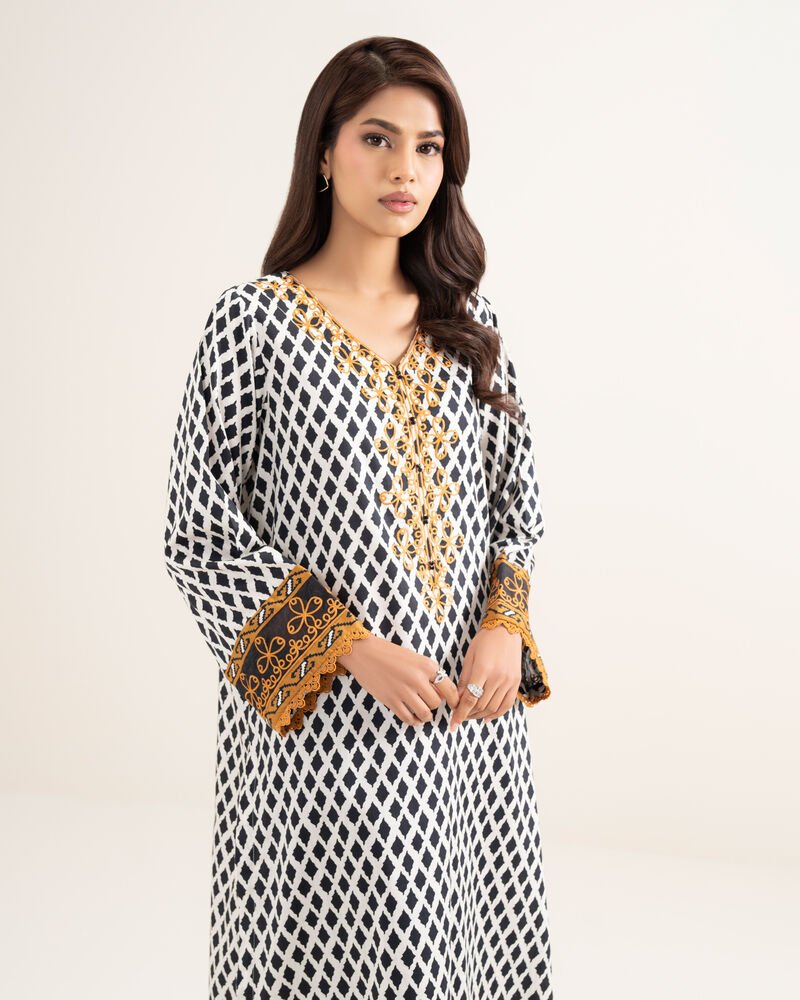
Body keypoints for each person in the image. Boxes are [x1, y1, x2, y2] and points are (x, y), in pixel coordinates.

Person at [162, 35, 555, 1000]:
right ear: (325, 153)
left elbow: (518, 502)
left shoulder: (468, 325)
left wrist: (504, 625)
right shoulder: (253, 324)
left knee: (460, 946)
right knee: (326, 949)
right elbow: (198, 533)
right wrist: (351, 648)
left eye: (428, 147)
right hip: (324, 724)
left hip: (465, 718)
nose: (404, 169)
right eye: (378, 138)